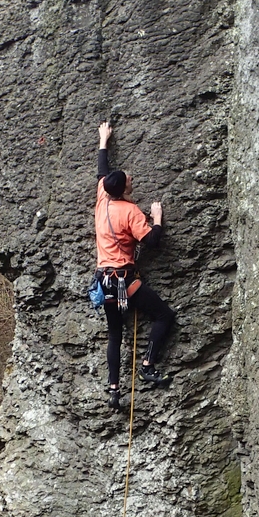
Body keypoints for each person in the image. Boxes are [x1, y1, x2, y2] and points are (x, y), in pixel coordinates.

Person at [95, 121, 176, 410]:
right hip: (125, 281)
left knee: (115, 333)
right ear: (126, 189)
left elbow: (102, 171)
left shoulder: (102, 198)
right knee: (164, 316)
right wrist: (156, 218)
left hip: (103, 282)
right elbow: (151, 241)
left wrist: (104, 139)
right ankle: (147, 365)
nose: (132, 180)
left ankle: (114, 390)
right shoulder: (130, 212)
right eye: (130, 181)